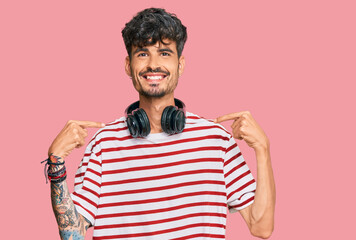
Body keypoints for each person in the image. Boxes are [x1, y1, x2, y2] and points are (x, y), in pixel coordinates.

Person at [45, 8, 275, 240]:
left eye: (164, 53)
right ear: (128, 65)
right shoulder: (103, 144)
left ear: (181, 64)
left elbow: (261, 227)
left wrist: (262, 149)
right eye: (143, 54)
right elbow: (72, 234)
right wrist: (56, 163)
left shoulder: (216, 140)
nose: (153, 64)